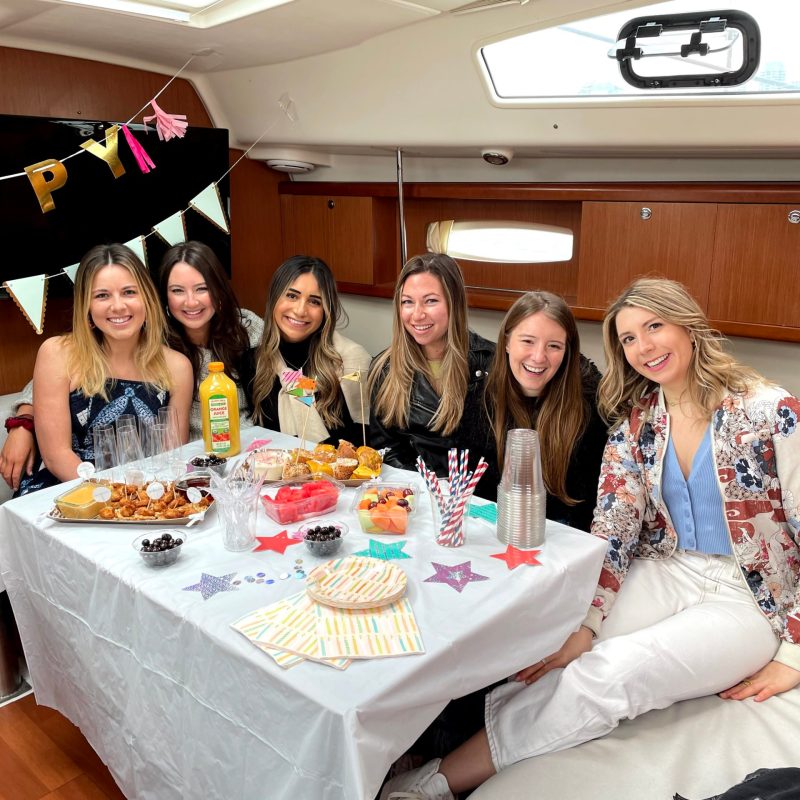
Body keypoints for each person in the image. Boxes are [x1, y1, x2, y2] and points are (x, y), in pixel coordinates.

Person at [380, 278, 800, 800]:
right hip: (670, 567)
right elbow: (615, 528)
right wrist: (587, 622)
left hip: (751, 598)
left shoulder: (770, 410)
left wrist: (795, 653)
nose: (643, 347)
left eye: (654, 327)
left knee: (613, 673)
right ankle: (448, 759)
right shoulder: (639, 420)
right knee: (554, 649)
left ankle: (438, 783)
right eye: (627, 339)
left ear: (687, 325)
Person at [17, 243, 193, 496]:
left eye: (129, 292)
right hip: (69, 489)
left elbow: (170, 456)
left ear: (148, 297)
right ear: (86, 304)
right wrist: (112, 498)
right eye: (102, 295)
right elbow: (57, 455)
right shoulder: (57, 353)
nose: (118, 306)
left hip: (147, 495)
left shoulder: (177, 367)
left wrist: (140, 501)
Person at [474, 291, 607, 525]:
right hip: (493, 531)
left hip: (565, 540)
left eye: (554, 346)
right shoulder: (479, 400)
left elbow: (589, 511)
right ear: (506, 342)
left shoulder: (591, 410)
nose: (538, 357)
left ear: (567, 352)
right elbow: (477, 500)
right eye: (527, 341)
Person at [369, 253, 494, 476]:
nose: (417, 315)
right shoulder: (383, 368)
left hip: (479, 504)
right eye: (408, 302)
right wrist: (425, 490)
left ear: (454, 303)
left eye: (431, 301)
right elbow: (386, 451)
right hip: (416, 497)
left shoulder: (492, 364)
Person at [249, 255, 371, 445]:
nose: (300, 310)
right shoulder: (252, 362)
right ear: (274, 298)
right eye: (291, 296)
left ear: (326, 310)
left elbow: (367, 439)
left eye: (314, 301)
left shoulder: (350, 361)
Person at [158, 241, 263, 440]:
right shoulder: (157, 346)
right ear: (164, 296)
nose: (191, 302)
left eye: (202, 289)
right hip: (193, 459)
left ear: (218, 289)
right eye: (177, 291)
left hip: (253, 449)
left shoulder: (248, 329)